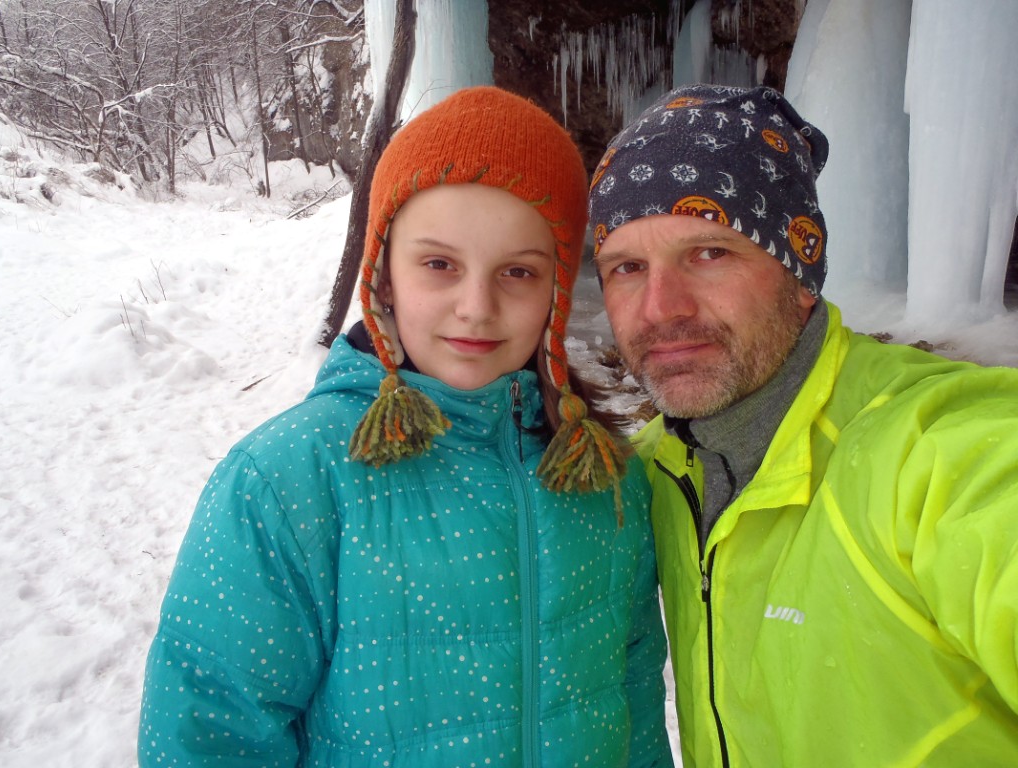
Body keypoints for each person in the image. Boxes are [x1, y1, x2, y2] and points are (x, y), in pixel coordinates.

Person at [137, 86, 673, 767]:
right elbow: (211, 733)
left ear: (558, 290)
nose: (476, 306)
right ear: (384, 273)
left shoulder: (605, 478)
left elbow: (635, 706)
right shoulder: (287, 480)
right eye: (439, 264)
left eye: (518, 271)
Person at [588, 83, 1018, 766]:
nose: (661, 308)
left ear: (800, 274)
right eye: (628, 267)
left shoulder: (934, 450)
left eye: (709, 253)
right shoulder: (647, 476)